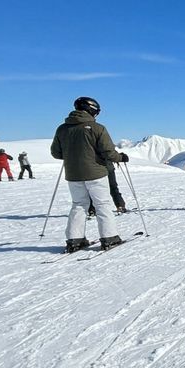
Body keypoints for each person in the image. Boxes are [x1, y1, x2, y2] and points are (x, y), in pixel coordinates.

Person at [51, 96, 128, 252]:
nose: (96, 115)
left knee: (78, 205)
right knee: (102, 205)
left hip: (73, 174)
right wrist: (121, 157)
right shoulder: (97, 128)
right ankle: (109, 237)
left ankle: (74, 240)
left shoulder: (62, 128)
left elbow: (56, 153)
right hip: (96, 173)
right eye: (96, 112)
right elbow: (108, 153)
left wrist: (73, 155)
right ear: (91, 110)